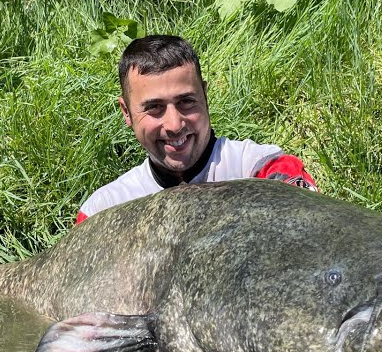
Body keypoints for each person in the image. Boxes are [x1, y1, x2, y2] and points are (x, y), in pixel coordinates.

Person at [75, 35, 318, 224]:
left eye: (186, 101)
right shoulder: (102, 210)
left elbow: (313, 223)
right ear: (126, 112)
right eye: (154, 107)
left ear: (205, 96)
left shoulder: (262, 169)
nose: (174, 124)